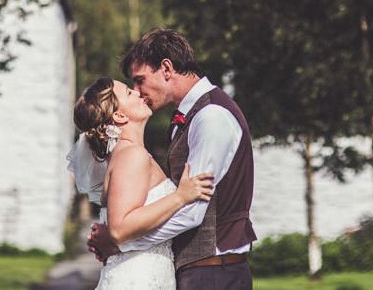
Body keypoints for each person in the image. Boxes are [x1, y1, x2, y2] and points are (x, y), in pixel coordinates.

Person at [87, 28, 257, 290]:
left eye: (140, 80)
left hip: (214, 272)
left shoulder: (210, 117)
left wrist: (120, 243)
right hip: (198, 271)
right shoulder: (185, 120)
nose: (138, 90)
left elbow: (192, 212)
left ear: (166, 69)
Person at [68, 76, 215, 290]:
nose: (138, 92)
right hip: (138, 279)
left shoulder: (128, 155)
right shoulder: (131, 156)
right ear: (118, 115)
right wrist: (180, 197)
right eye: (128, 92)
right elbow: (119, 229)